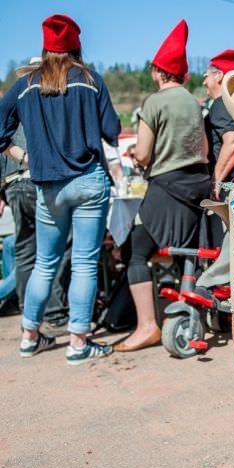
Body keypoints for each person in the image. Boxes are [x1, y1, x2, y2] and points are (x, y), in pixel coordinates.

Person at [0, 14, 120, 364]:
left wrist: (22, 157)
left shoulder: (26, 84)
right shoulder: (90, 80)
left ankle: (29, 336)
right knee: (83, 263)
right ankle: (78, 343)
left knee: (44, 263)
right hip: (88, 181)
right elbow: (111, 129)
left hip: (47, 186)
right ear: (76, 46)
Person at [114, 19, 210, 352]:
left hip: (167, 186)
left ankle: (146, 327)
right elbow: (204, 151)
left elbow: (143, 152)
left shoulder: (153, 103)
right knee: (184, 251)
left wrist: (137, 156)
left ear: (158, 71)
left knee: (135, 252)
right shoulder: (195, 103)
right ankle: (184, 313)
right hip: (198, 185)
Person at [0, 122, 71, 329]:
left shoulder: (8, 115)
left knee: (24, 252)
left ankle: (29, 314)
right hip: (40, 180)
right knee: (59, 247)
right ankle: (55, 313)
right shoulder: (39, 105)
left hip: (13, 184)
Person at [203, 48, 234, 200]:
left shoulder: (220, 103)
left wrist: (215, 182)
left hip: (231, 187)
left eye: (206, 76)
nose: (204, 82)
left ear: (219, 76)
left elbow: (233, 142)